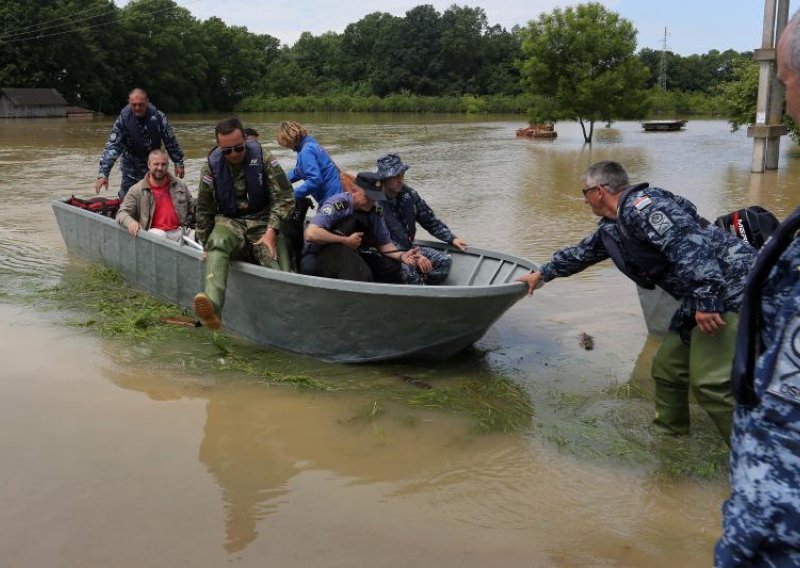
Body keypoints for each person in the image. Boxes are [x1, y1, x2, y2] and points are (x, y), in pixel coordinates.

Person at [517, 160, 757, 442]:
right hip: (700, 298)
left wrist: (706, 300)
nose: (583, 201)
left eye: (584, 193)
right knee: (667, 368)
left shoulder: (646, 208)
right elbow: (583, 253)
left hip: (730, 293)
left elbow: (691, 245)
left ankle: (755, 457)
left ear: (598, 191)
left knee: (711, 383)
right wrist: (542, 274)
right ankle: (670, 437)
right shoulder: (615, 224)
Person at [715, 13, 800, 566]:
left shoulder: (646, 215)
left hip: (775, 542)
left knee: (701, 378)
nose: (788, 108)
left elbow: (786, 437)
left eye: (788, 86)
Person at [193, 118, 295, 330]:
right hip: (229, 222)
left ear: (245, 140)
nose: (234, 154)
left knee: (279, 271)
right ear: (220, 148)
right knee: (217, 241)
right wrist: (205, 244)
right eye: (227, 151)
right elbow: (204, 209)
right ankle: (213, 309)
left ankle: (288, 319)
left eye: (238, 148)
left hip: (262, 221)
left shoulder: (264, 159)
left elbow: (285, 197)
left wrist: (271, 232)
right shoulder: (210, 168)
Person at [301, 171, 419, 283]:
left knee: (391, 266)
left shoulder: (375, 210)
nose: (371, 202)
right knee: (309, 268)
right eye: (368, 197)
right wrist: (345, 240)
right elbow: (311, 233)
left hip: (352, 253)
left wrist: (402, 256)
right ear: (353, 191)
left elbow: (384, 245)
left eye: (375, 198)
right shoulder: (338, 205)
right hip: (320, 253)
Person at [376, 153, 468, 285]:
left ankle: (428, 289)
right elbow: (379, 240)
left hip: (408, 248)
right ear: (384, 179)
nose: (400, 180)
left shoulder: (410, 195)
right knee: (409, 273)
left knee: (444, 261)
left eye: (402, 175)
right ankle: (416, 291)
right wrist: (412, 256)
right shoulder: (373, 202)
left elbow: (430, 221)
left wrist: (452, 238)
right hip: (387, 253)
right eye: (395, 176)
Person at [95, 88, 185, 199]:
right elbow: (112, 147)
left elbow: (170, 141)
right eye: (134, 105)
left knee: (155, 199)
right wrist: (103, 174)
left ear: (147, 101)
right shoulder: (123, 120)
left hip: (154, 168)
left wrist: (178, 162)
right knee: (127, 199)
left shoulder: (159, 117)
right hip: (130, 168)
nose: (137, 108)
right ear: (129, 102)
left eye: (141, 104)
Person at [116, 149, 195, 242]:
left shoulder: (180, 184)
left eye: (163, 164)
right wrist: (131, 223)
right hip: (155, 234)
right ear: (149, 165)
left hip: (180, 231)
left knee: (203, 237)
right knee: (159, 235)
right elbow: (121, 213)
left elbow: (193, 207)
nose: (160, 168)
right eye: (156, 164)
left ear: (168, 165)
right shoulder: (137, 190)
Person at [277, 120, 343, 205]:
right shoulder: (310, 143)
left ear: (290, 138)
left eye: (285, 143)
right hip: (337, 195)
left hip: (332, 199)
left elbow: (314, 181)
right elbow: (299, 172)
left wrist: (291, 195)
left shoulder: (306, 151)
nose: (287, 147)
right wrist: (278, 181)